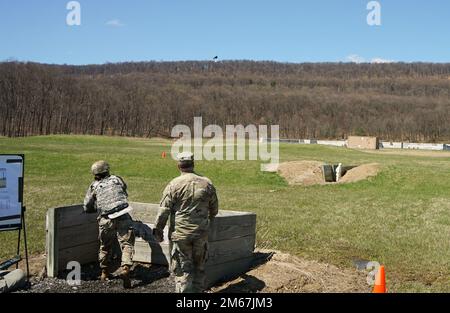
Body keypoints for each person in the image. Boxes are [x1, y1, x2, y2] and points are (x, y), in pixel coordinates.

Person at [153, 152, 219, 293]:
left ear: (179, 166)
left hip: (181, 234)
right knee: (199, 268)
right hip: (201, 234)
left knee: (183, 270)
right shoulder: (207, 183)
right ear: (193, 164)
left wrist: (158, 230)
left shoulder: (174, 184)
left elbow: (164, 210)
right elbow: (214, 209)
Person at [83, 160, 135, 289]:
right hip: (123, 214)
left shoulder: (94, 186)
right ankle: (126, 268)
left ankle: (104, 272)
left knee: (105, 246)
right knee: (127, 244)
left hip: (106, 219)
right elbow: (124, 190)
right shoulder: (117, 179)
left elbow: (87, 206)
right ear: (107, 170)